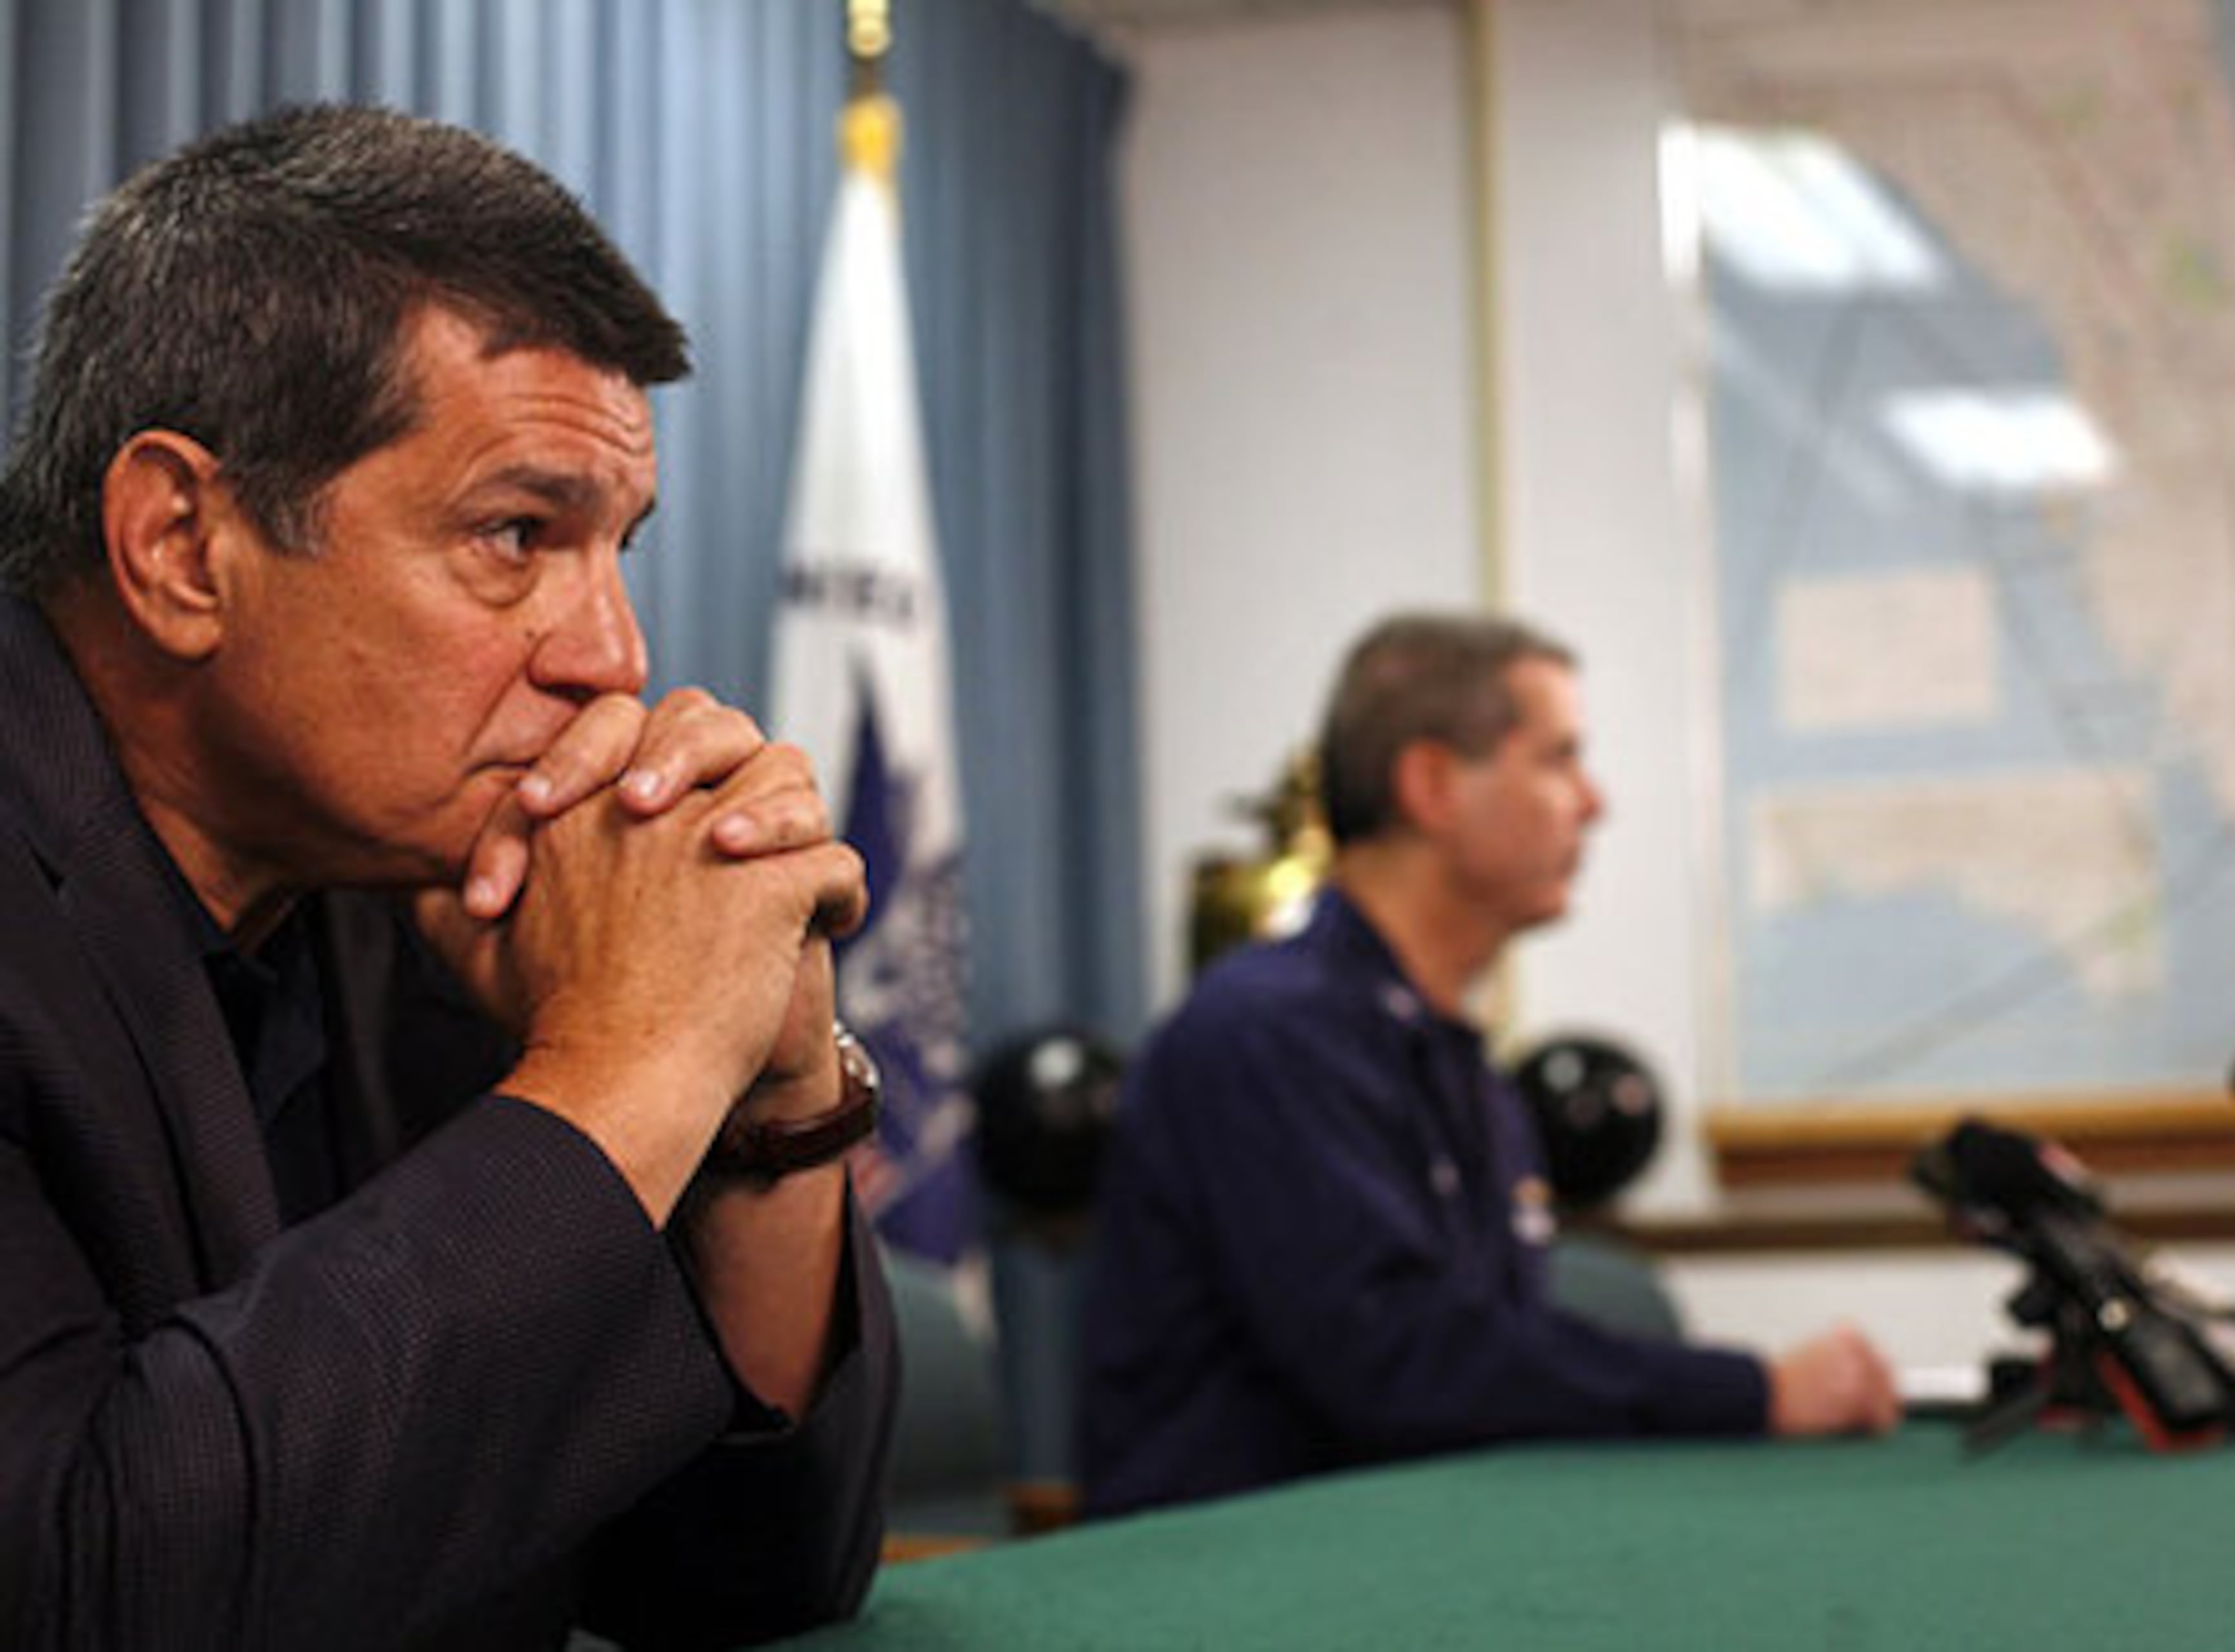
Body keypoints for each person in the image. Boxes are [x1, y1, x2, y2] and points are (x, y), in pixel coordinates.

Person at [0, 106, 898, 1650]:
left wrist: (774, 1081)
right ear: (182, 547)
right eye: (515, 534)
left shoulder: (432, 885)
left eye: (617, 547)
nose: (612, 655)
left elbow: (748, 1580)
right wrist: (631, 1060)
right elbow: (78, 1588)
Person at [1078, 612, 1900, 1517]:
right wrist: (1752, 1391)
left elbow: (1491, 1356)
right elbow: (1403, 1363)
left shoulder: (1451, 1056)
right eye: (1558, 759)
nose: (1593, 802)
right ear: (1432, 784)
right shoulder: (1266, 1033)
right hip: (1237, 1567)